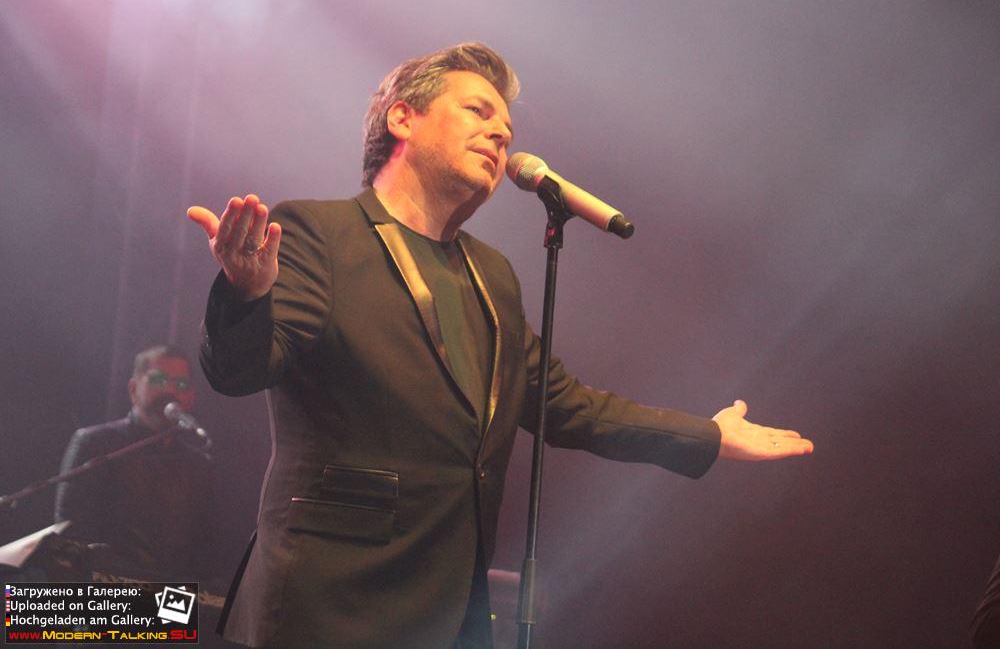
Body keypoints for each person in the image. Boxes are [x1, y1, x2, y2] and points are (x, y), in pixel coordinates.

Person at [188, 43, 814, 649]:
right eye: (478, 111)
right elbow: (237, 373)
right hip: (329, 606)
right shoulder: (319, 232)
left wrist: (707, 436)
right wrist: (246, 295)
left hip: (448, 614)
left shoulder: (491, 276)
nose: (499, 134)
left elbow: (566, 405)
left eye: (507, 130)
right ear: (402, 118)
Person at [54, 344, 215, 580]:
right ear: (133, 389)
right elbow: (72, 532)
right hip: (104, 588)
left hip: (170, 595)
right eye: (158, 380)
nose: (170, 390)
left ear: (191, 397)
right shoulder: (95, 443)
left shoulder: (198, 463)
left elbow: (204, 547)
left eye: (181, 384)